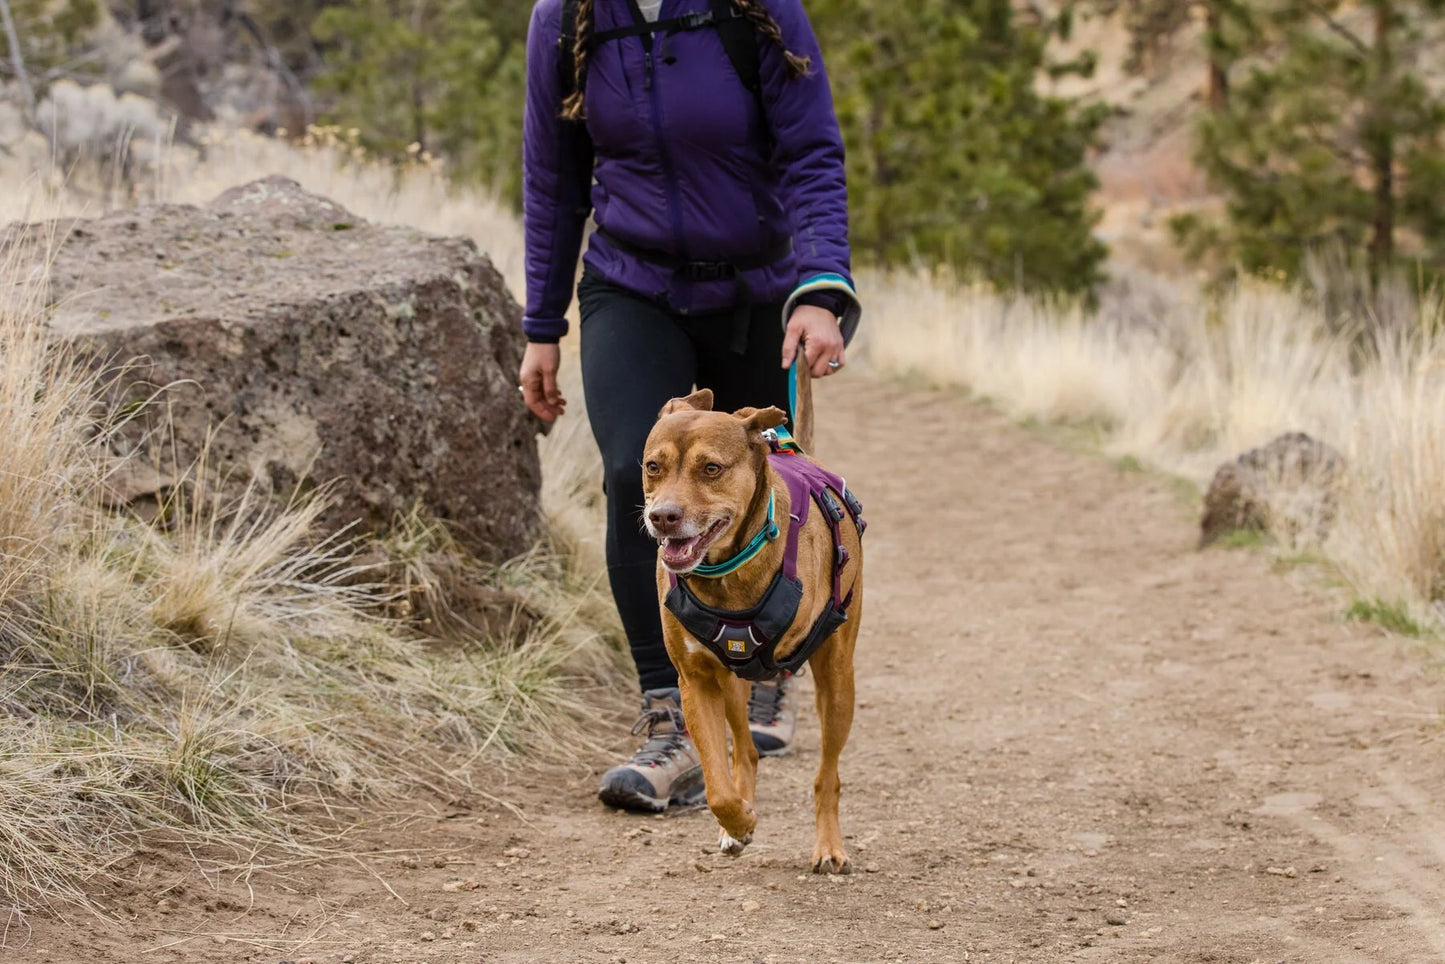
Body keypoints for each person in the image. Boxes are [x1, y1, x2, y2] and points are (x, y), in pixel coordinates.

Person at [518, 0, 862, 813]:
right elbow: (552, 177)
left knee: (758, 473)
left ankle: (766, 660)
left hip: (757, 283)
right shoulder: (564, 19)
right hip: (630, 281)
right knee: (634, 477)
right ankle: (669, 713)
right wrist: (541, 324)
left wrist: (819, 288)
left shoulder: (757, 10)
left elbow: (811, 150)